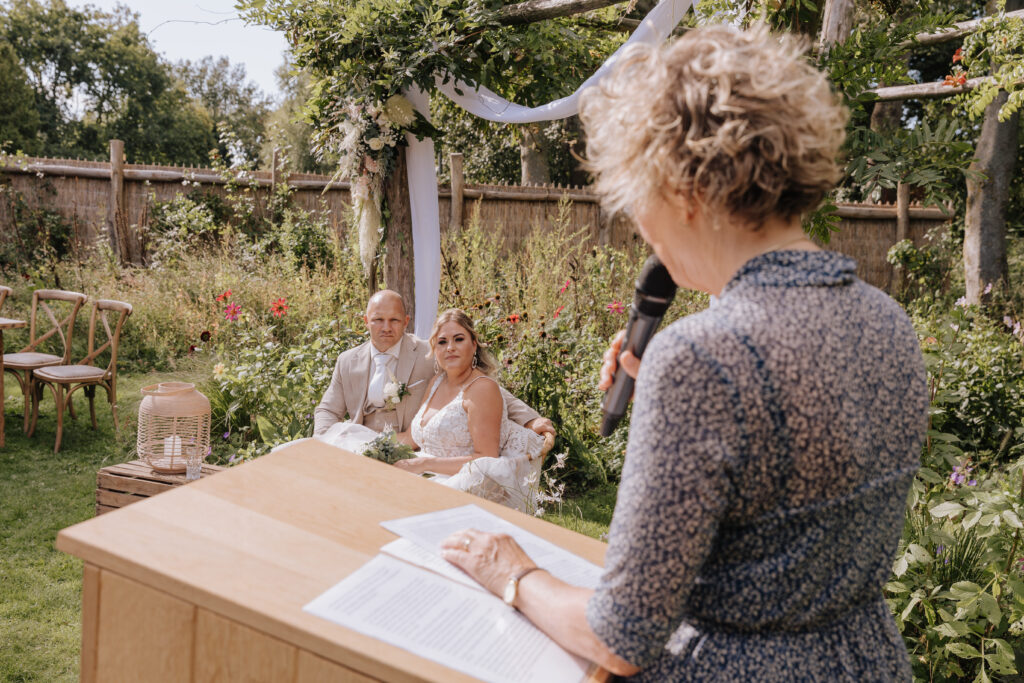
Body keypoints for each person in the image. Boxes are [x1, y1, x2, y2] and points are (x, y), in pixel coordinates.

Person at [438, 24, 928, 680]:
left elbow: (620, 637)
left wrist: (513, 572)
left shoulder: (702, 360)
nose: (641, 225)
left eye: (636, 196)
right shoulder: (889, 320)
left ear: (684, 192)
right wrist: (674, 400)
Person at [313, 290, 552, 437]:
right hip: (359, 445)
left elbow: (477, 384)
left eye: (394, 320)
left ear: (406, 321)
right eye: (378, 320)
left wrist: (530, 419)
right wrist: (324, 441)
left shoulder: (428, 353)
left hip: (408, 448)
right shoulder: (347, 361)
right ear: (366, 321)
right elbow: (328, 410)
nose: (386, 327)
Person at [392, 309, 548, 512]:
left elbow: (485, 459)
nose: (450, 347)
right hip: (422, 473)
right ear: (435, 349)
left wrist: (424, 465)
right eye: (442, 342)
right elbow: (413, 439)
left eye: (458, 339)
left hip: (460, 487)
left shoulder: (482, 389)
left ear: (474, 345)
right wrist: (376, 446)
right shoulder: (436, 382)